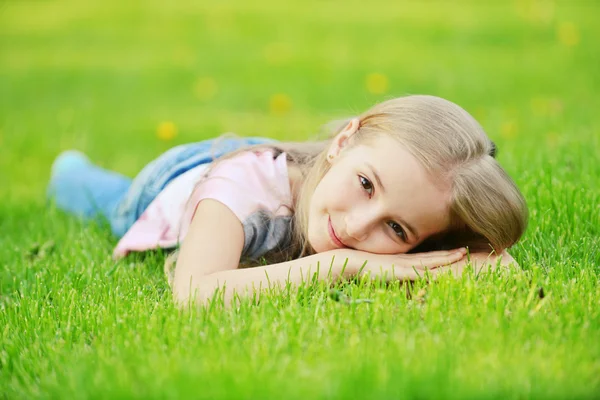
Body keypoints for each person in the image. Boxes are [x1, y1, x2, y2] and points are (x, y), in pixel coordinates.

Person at [48, 95, 528, 307]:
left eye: (398, 229)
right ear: (343, 141)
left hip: (301, 171)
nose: (359, 228)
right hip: (179, 181)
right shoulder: (243, 191)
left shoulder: (403, 200)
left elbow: (491, 264)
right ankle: (70, 169)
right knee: (97, 197)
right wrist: (342, 266)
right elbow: (194, 296)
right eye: (366, 184)